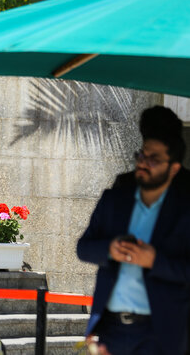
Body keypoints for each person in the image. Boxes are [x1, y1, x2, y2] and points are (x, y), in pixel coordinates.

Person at [77, 109, 190, 355]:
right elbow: (84, 247)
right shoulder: (117, 196)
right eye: (142, 154)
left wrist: (155, 261)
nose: (144, 162)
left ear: (174, 167)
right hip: (112, 331)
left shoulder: (184, 202)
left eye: (154, 158)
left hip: (162, 332)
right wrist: (110, 249)